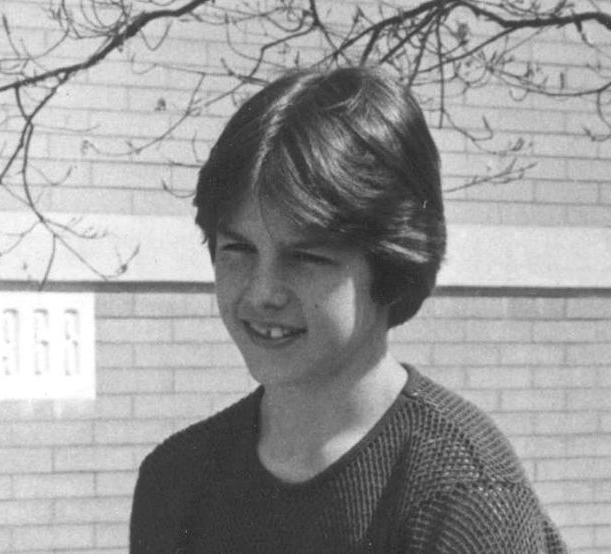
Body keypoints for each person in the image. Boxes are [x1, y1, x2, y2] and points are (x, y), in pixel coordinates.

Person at [130, 66, 568, 553]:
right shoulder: (177, 479)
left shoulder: (463, 495)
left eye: (306, 256)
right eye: (239, 250)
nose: (262, 292)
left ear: (390, 263)